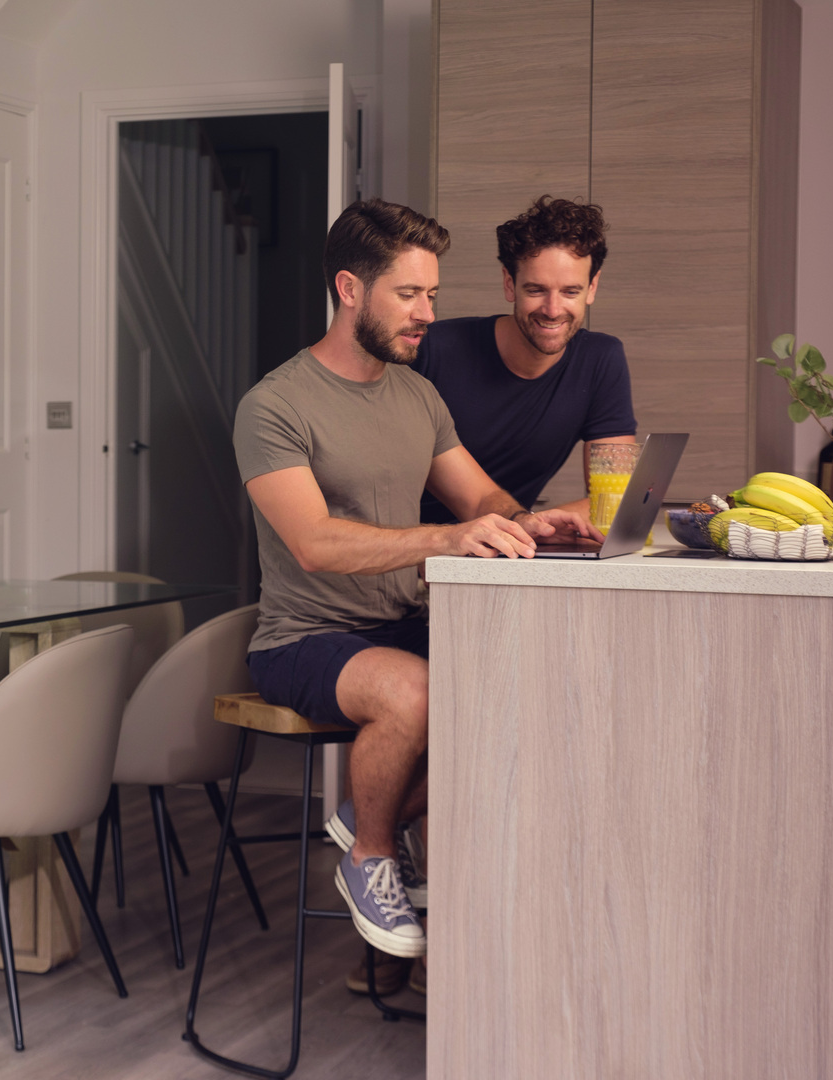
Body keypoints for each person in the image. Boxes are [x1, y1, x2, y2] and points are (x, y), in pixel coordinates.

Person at [232, 198, 598, 961]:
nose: (426, 313)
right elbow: (313, 543)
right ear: (350, 289)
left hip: (403, 622)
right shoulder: (275, 404)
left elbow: (478, 498)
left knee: (541, 688)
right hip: (308, 638)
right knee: (419, 693)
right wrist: (448, 538)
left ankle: (380, 808)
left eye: (432, 294)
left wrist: (523, 523)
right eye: (409, 295)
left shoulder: (415, 394)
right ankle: (370, 853)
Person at [412, 195, 637, 526]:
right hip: (413, 552)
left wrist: (526, 525)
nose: (553, 309)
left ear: (592, 287)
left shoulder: (601, 360)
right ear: (509, 283)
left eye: (570, 292)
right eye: (536, 290)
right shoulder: (432, 349)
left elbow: (616, 502)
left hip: (502, 551)